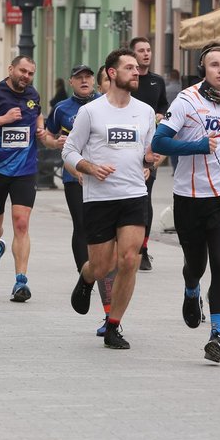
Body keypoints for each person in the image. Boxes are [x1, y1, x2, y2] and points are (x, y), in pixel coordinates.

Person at [152, 44, 220, 362]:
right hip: (190, 196)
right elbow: (160, 141)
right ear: (204, 69)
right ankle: (191, 288)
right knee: (196, 264)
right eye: (215, 64)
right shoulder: (186, 100)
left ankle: (217, 335)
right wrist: (197, 145)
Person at [64, 49, 157, 349]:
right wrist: (89, 167)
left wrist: (149, 164)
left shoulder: (144, 112)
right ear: (112, 73)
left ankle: (113, 325)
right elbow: (68, 152)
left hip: (133, 195)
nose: (137, 72)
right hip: (99, 198)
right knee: (102, 266)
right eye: (129, 67)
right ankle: (87, 277)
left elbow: (149, 151)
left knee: (129, 260)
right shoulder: (91, 111)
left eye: (138, 68)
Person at [43, 64, 117, 336]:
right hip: (75, 176)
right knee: (83, 226)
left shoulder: (104, 105)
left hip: (104, 178)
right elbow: (50, 136)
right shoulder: (63, 108)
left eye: (88, 77)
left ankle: (92, 276)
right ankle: (84, 271)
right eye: (80, 78)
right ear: (72, 82)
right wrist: (54, 143)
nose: (85, 81)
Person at [0, 55, 44, 301]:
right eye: (22, 71)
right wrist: (3, 119)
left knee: (21, 222)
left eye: (30, 73)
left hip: (25, 169)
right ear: (11, 69)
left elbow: (37, 117)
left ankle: (20, 281)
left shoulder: (33, 96)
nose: (26, 76)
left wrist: (41, 129)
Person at [129, 36, 169, 271]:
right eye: (141, 50)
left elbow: (164, 105)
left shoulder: (157, 81)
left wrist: (162, 115)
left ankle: (143, 249)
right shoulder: (129, 81)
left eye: (149, 50)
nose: (146, 54)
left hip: (149, 148)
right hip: (125, 148)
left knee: (145, 198)